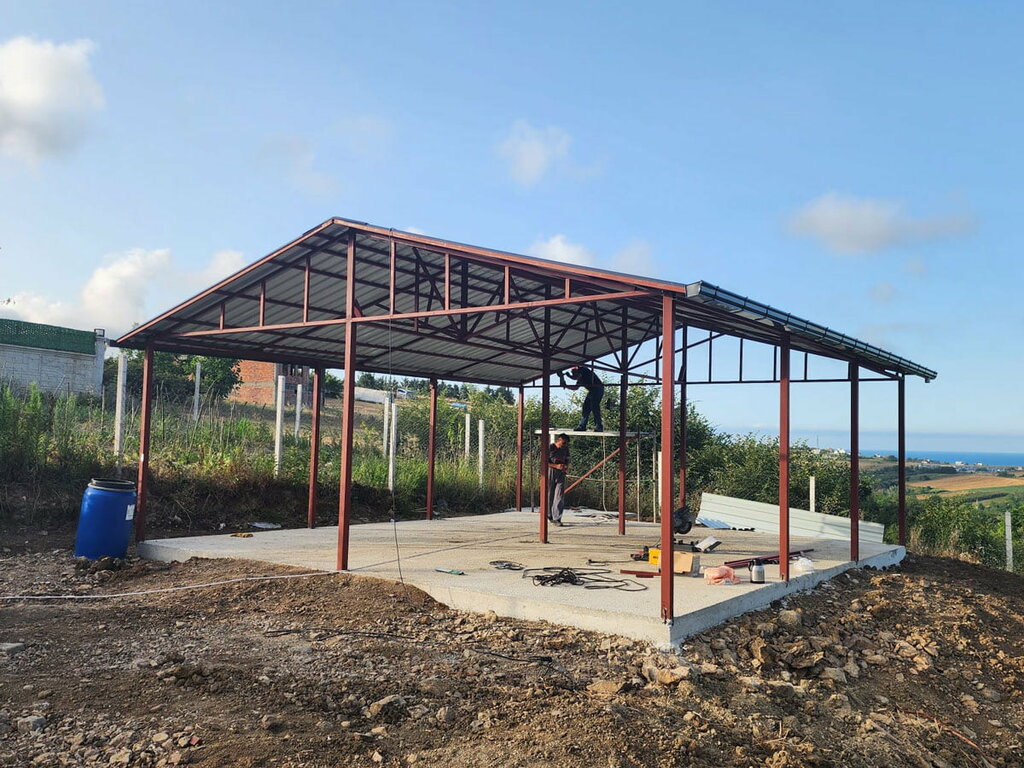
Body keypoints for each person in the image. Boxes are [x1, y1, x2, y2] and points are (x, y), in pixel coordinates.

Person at [559, 364, 604, 431]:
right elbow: (575, 387)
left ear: (577, 370)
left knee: (594, 406)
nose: (573, 375)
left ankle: (599, 426)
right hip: (592, 390)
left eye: (573, 373)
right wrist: (566, 383)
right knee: (586, 407)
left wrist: (568, 377)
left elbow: (575, 377)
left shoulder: (584, 370)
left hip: (598, 388)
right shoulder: (580, 378)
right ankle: (582, 426)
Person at [547, 433, 569, 526]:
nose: (564, 445)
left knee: (559, 495)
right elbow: (544, 462)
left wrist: (565, 466)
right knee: (549, 494)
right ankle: (549, 515)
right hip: (550, 471)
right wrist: (555, 466)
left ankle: (557, 518)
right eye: (563, 443)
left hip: (561, 472)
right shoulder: (550, 448)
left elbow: (567, 459)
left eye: (566, 443)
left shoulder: (565, 449)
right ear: (558, 440)